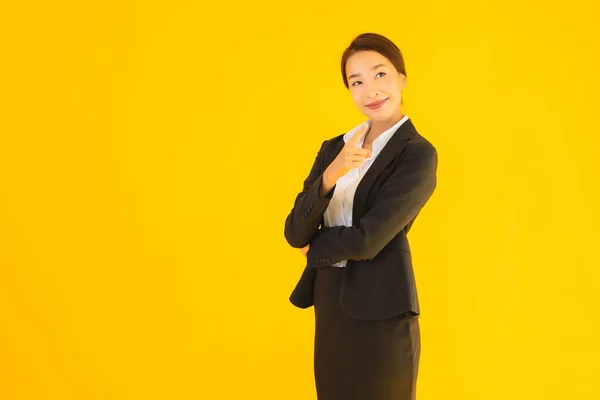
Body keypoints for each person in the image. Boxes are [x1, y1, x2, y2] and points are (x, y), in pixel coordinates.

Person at [283, 33, 438, 400]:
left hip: (383, 316)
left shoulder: (417, 154)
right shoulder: (334, 149)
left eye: (380, 74)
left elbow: (370, 238)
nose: (371, 90)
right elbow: (293, 230)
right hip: (332, 309)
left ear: (402, 77)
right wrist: (330, 175)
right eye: (357, 81)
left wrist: (316, 247)